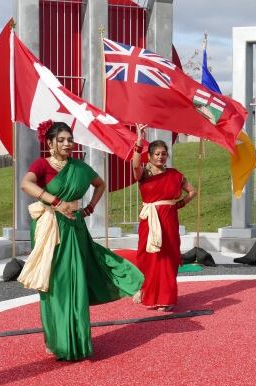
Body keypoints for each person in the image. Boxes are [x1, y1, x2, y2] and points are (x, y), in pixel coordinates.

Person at [19, 120, 144, 360]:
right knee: (54, 283)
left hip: (74, 226)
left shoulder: (79, 167)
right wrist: (55, 202)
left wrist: (90, 208)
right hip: (49, 228)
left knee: (74, 281)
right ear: (50, 142)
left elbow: (100, 184)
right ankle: (57, 340)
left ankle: (76, 340)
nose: (68, 144)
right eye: (62, 140)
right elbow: (26, 184)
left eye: (70, 140)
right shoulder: (42, 164)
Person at [131, 124, 197, 311]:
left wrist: (180, 204)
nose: (161, 157)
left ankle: (166, 298)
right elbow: (135, 165)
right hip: (149, 221)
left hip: (169, 219)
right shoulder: (144, 174)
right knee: (148, 257)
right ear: (150, 156)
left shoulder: (175, 175)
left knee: (168, 257)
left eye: (163, 153)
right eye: (157, 154)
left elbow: (192, 191)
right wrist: (138, 140)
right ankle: (149, 294)